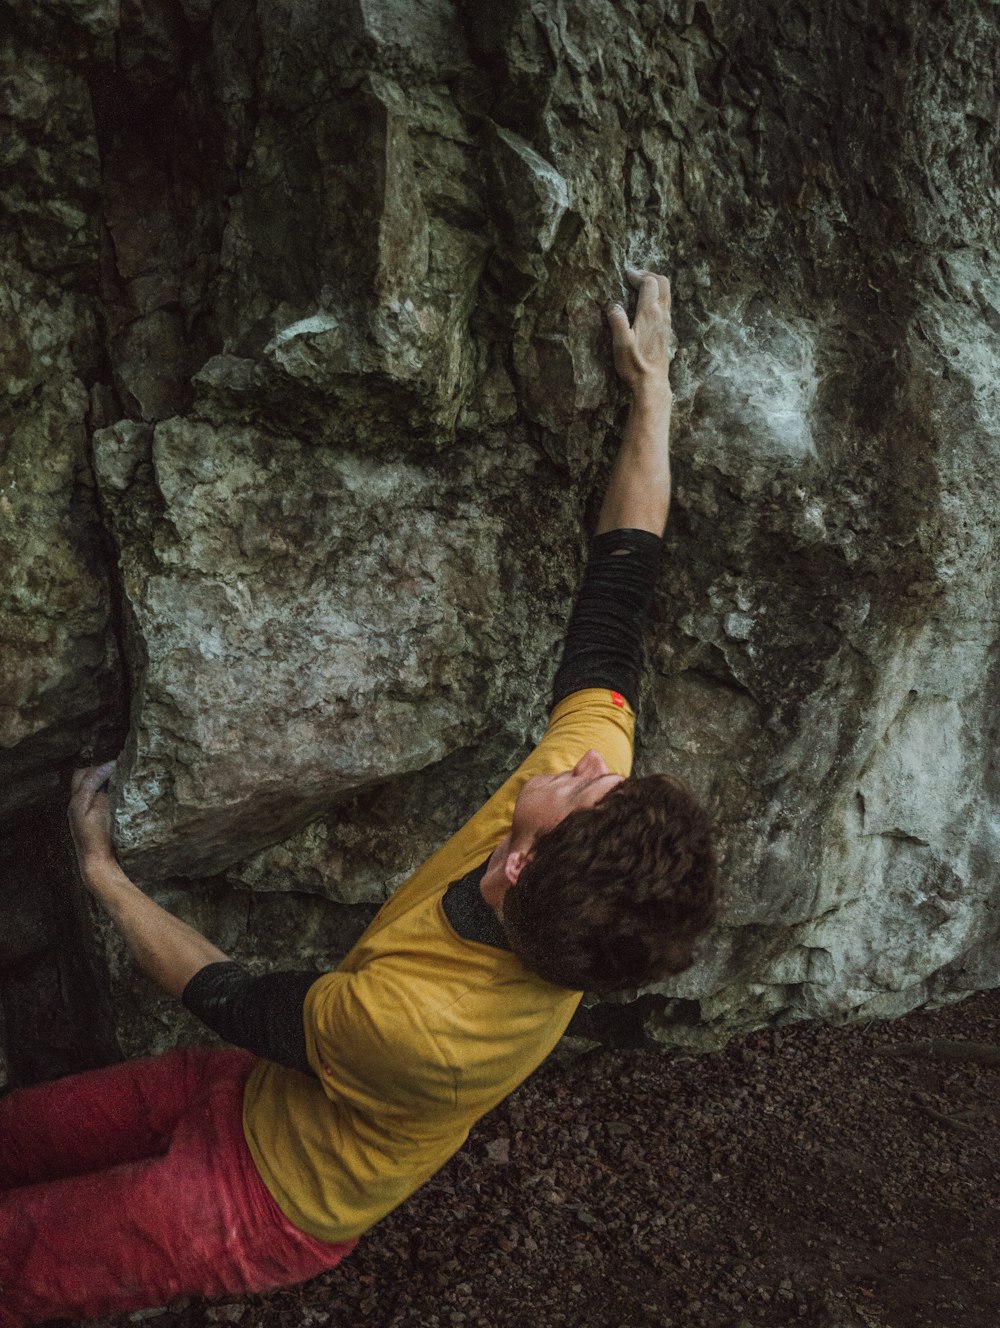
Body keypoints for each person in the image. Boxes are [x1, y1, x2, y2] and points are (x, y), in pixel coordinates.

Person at [0, 269, 718, 1325]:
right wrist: (652, 391)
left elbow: (229, 994)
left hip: (260, 1199)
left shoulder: (420, 1025)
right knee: (23, 1131)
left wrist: (103, 875)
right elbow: (621, 583)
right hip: (250, 1088)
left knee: (19, 1261)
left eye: (579, 790)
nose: (583, 764)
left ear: (520, 864)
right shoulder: (575, 821)